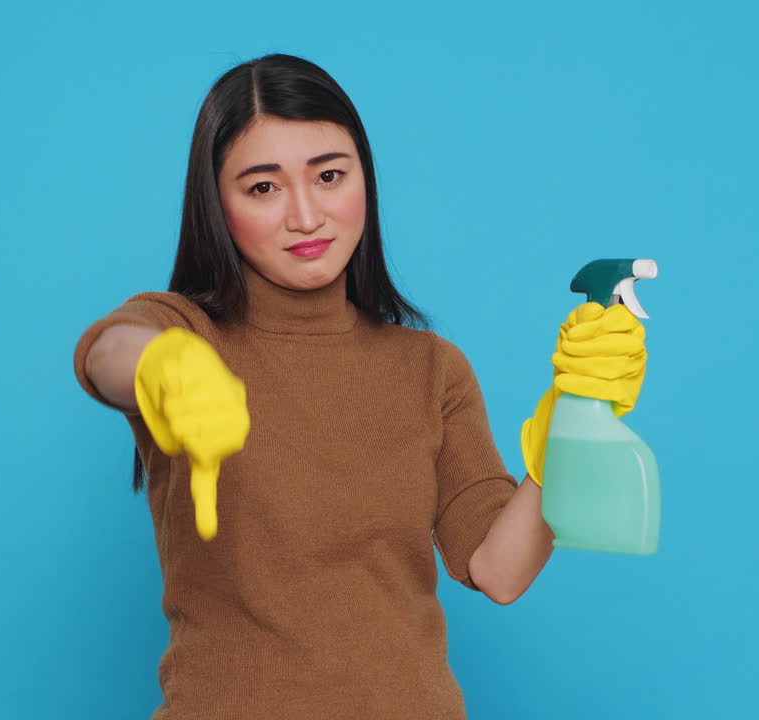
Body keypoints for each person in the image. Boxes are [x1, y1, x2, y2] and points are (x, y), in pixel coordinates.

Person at [72, 53, 646, 719]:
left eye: (329, 176)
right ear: (216, 205)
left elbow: (499, 570)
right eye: (264, 187)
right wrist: (158, 366)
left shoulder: (431, 368)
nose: (307, 215)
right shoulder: (187, 334)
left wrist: (574, 415)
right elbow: (106, 352)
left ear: (364, 182)